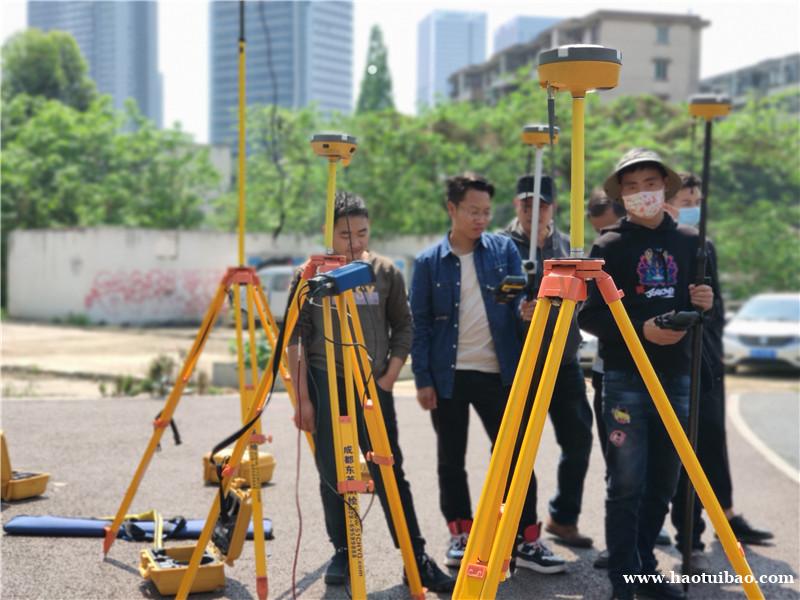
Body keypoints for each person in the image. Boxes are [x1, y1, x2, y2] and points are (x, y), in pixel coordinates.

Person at [287, 191, 454, 592]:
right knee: (332, 471)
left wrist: (389, 377)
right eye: (345, 234)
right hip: (325, 383)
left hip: (372, 385)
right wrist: (303, 399)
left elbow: (405, 325)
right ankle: (343, 550)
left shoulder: (384, 271)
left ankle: (415, 556)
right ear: (328, 232)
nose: (355, 242)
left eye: (362, 233)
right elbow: (294, 338)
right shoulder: (309, 275)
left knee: (389, 471)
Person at [410, 173, 566, 574]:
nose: (481, 219)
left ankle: (526, 538)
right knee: (451, 460)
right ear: (452, 209)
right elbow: (420, 325)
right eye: (472, 211)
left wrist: (524, 312)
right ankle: (461, 534)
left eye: (485, 211)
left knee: (515, 456)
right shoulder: (428, 262)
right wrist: (423, 380)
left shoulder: (503, 250)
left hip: (499, 373)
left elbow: (516, 302)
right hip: (447, 377)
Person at [578, 149, 714, 600]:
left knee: (664, 482)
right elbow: (589, 316)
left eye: (650, 184)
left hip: (678, 376)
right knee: (626, 483)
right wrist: (642, 330)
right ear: (621, 195)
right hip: (624, 378)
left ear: (665, 187)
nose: (642, 193)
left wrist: (704, 305)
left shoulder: (693, 242)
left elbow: (707, 309)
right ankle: (623, 578)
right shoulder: (609, 245)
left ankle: (645, 570)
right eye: (632, 186)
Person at [665, 173, 773, 574]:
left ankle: (725, 515)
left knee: (712, 437)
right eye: (687, 201)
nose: (694, 208)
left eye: (698, 201)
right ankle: (687, 534)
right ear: (667, 203)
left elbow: (716, 309)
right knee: (682, 448)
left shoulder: (703, 245)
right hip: (673, 358)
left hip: (707, 358)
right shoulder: (666, 246)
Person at [499, 174, 594, 550]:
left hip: (564, 360)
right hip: (519, 362)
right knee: (515, 445)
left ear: (553, 207)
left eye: (541, 205)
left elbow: (586, 298)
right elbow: (491, 300)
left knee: (579, 439)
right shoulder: (501, 245)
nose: (533, 211)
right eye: (526, 204)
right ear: (515, 205)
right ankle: (515, 525)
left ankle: (563, 518)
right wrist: (515, 310)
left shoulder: (568, 247)